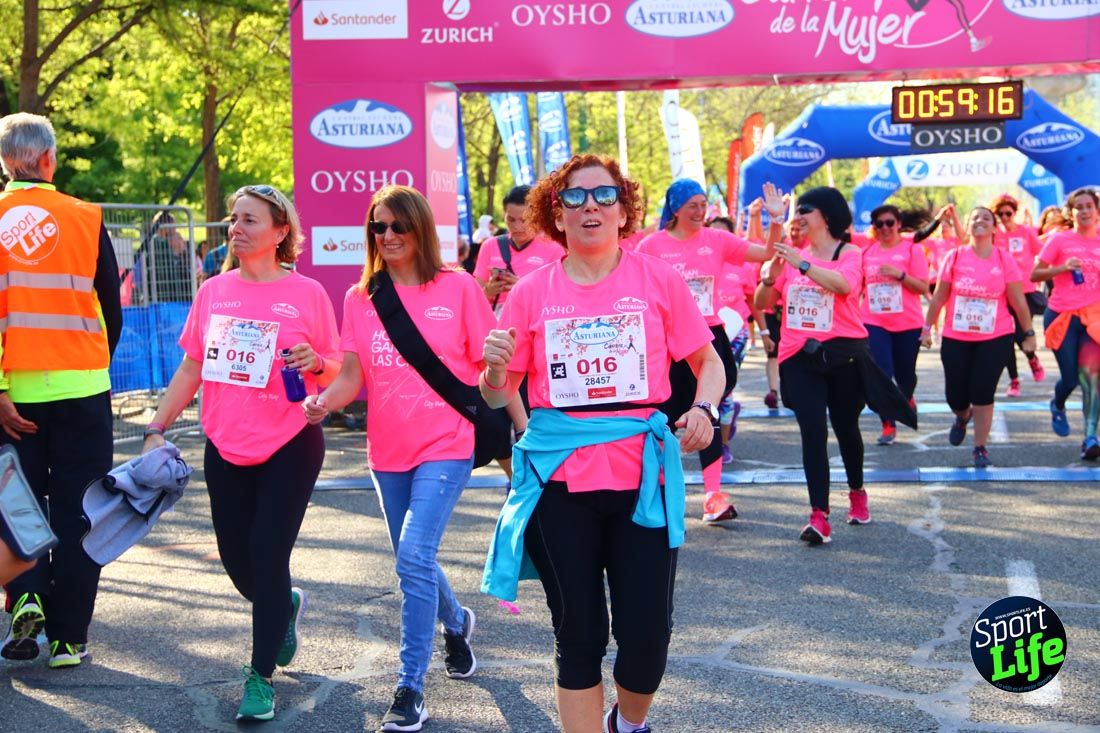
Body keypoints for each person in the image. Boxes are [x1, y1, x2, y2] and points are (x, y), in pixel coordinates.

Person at [479, 153, 722, 733]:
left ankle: (628, 722)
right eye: (574, 197)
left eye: (604, 196)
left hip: (643, 478)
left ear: (624, 210)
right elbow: (497, 396)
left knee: (646, 638)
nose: (590, 206)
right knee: (579, 634)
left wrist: (704, 409)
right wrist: (491, 373)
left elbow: (707, 361)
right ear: (556, 216)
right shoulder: (531, 293)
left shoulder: (657, 279)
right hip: (559, 482)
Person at [142, 184, 339, 721]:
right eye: (234, 218)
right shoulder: (214, 291)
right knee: (238, 561)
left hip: (290, 441)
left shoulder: (307, 293)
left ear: (280, 233)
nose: (237, 227)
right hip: (225, 443)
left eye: (250, 220)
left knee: (267, 554)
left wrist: (314, 360)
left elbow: (336, 366)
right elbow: (191, 367)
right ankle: (286, 608)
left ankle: (259, 678)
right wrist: (157, 424)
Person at [303, 185, 492, 733]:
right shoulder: (361, 297)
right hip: (387, 451)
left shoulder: (458, 288)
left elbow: (489, 369)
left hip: (448, 444)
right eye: (377, 228)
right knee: (418, 560)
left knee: (411, 556)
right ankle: (456, 622)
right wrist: (322, 402)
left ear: (420, 229)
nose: (386, 236)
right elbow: (353, 377)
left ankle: (410, 686)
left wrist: (516, 419)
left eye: (396, 227)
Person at [0, 113, 122, 668]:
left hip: (13, 392)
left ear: (6, 162)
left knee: (17, 502)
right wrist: (91, 365)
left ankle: (26, 597)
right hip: (81, 388)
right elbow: (112, 311)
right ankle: (70, 637)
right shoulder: (85, 216)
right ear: (49, 159)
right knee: (79, 510)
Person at [755, 187, 914, 544]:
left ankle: (857, 491)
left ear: (826, 216)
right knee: (813, 430)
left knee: (846, 428)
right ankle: (819, 516)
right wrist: (770, 277)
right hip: (799, 354)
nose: (799, 216)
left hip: (843, 354)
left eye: (805, 209)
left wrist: (803, 266)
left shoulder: (849, 252)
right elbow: (764, 301)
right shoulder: (792, 256)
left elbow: (843, 286)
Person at [638, 178, 780, 524]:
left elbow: (765, 254)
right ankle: (656, 492)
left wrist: (775, 220)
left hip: (706, 337)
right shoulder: (651, 245)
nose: (700, 212)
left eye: (704, 205)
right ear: (675, 208)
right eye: (693, 206)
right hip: (666, 342)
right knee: (661, 417)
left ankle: (713, 495)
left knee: (708, 413)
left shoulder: (716, 240)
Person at [922, 206, 1035, 467]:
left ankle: (980, 447)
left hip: (995, 336)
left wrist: (1028, 334)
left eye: (986, 218)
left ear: (994, 228)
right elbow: (939, 297)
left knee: (983, 391)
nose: (980, 221)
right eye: (975, 218)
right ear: (968, 225)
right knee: (956, 396)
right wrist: (927, 329)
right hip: (956, 335)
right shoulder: (955, 256)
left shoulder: (1003, 258)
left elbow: (1018, 300)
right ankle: (962, 416)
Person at [473, 185, 565, 487]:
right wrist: (490, 290)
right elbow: (474, 297)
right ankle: (519, 481)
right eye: (511, 220)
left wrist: (523, 286)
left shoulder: (553, 248)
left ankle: (531, 484)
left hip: (534, 346)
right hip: (495, 342)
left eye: (524, 219)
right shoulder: (490, 247)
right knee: (494, 423)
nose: (518, 227)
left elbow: (562, 298)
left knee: (530, 420)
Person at [1031, 189, 1100, 454]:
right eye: (1078, 207)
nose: (1084, 211)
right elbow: (1034, 274)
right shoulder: (1059, 240)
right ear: (1071, 213)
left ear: (1096, 211)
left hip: (1093, 317)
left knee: (1091, 379)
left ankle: (1091, 438)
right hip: (1061, 315)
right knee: (1070, 379)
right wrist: (1061, 268)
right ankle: (1057, 404)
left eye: (1089, 206)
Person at [860, 204, 930, 445]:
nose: (885, 228)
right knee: (882, 373)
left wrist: (899, 275)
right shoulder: (867, 252)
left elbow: (922, 286)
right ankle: (888, 424)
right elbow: (857, 287)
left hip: (907, 323)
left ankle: (907, 396)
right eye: (879, 224)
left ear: (898, 224)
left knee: (905, 375)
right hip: (874, 321)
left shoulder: (912, 251)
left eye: (889, 223)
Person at [709, 214, 765, 463]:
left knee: (723, 389)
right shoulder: (698, 262)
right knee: (702, 390)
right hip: (703, 332)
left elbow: (754, 302)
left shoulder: (742, 265)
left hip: (735, 333)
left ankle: (723, 445)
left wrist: (764, 332)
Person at [991, 194, 1046, 396]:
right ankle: (1014, 381)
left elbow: (1043, 253)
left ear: (1014, 213)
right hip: (1001, 293)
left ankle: (1032, 358)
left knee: (1021, 335)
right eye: (1000, 213)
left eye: (1008, 213)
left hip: (1025, 292)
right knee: (1005, 338)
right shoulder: (994, 235)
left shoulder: (1026, 233)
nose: (1005, 217)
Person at [137, 211, 196, 302]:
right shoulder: (158, 243)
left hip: (173, 293)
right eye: (173, 226)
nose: (175, 229)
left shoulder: (160, 242)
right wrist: (177, 251)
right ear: (165, 227)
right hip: (164, 294)